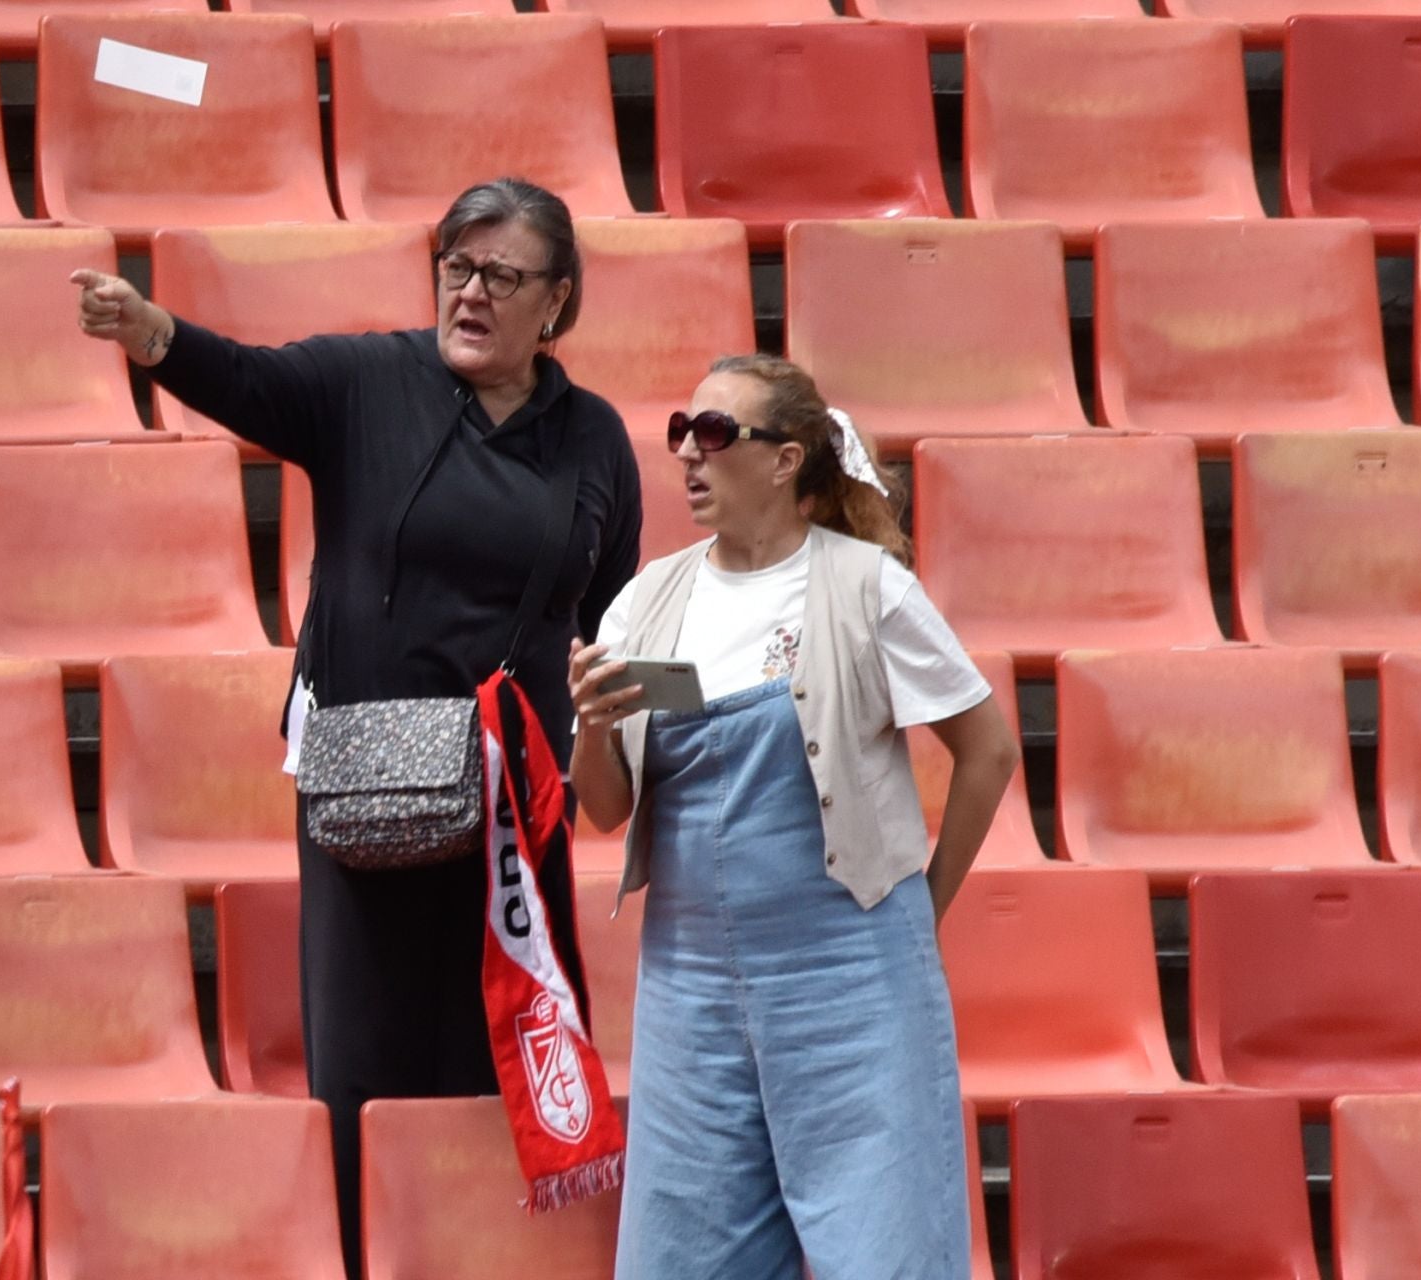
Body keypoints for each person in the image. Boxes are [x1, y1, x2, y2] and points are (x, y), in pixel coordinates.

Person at [73, 177, 642, 1275]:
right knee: (370, 1063)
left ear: (556, 302)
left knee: (495, 1066)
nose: (471, 293)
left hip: (514, 811)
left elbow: (609, 613)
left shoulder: (596, 441)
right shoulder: (366, 383)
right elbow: (248, 379)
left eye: (502, 276)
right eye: (456, 267)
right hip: (370, 791)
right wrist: (154, 334)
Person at [567, 355, 1020, 1280]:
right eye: (682, 432)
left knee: (886, 1248)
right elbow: (607, 810)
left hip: (849, 977)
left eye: (718, 434)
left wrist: (917, 914)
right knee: (681, 1257)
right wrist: (588, 726)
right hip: (690, 984)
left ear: (785, 460)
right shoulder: (645, 598)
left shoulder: (866, 585)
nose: (691, 453)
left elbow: (990, 750)